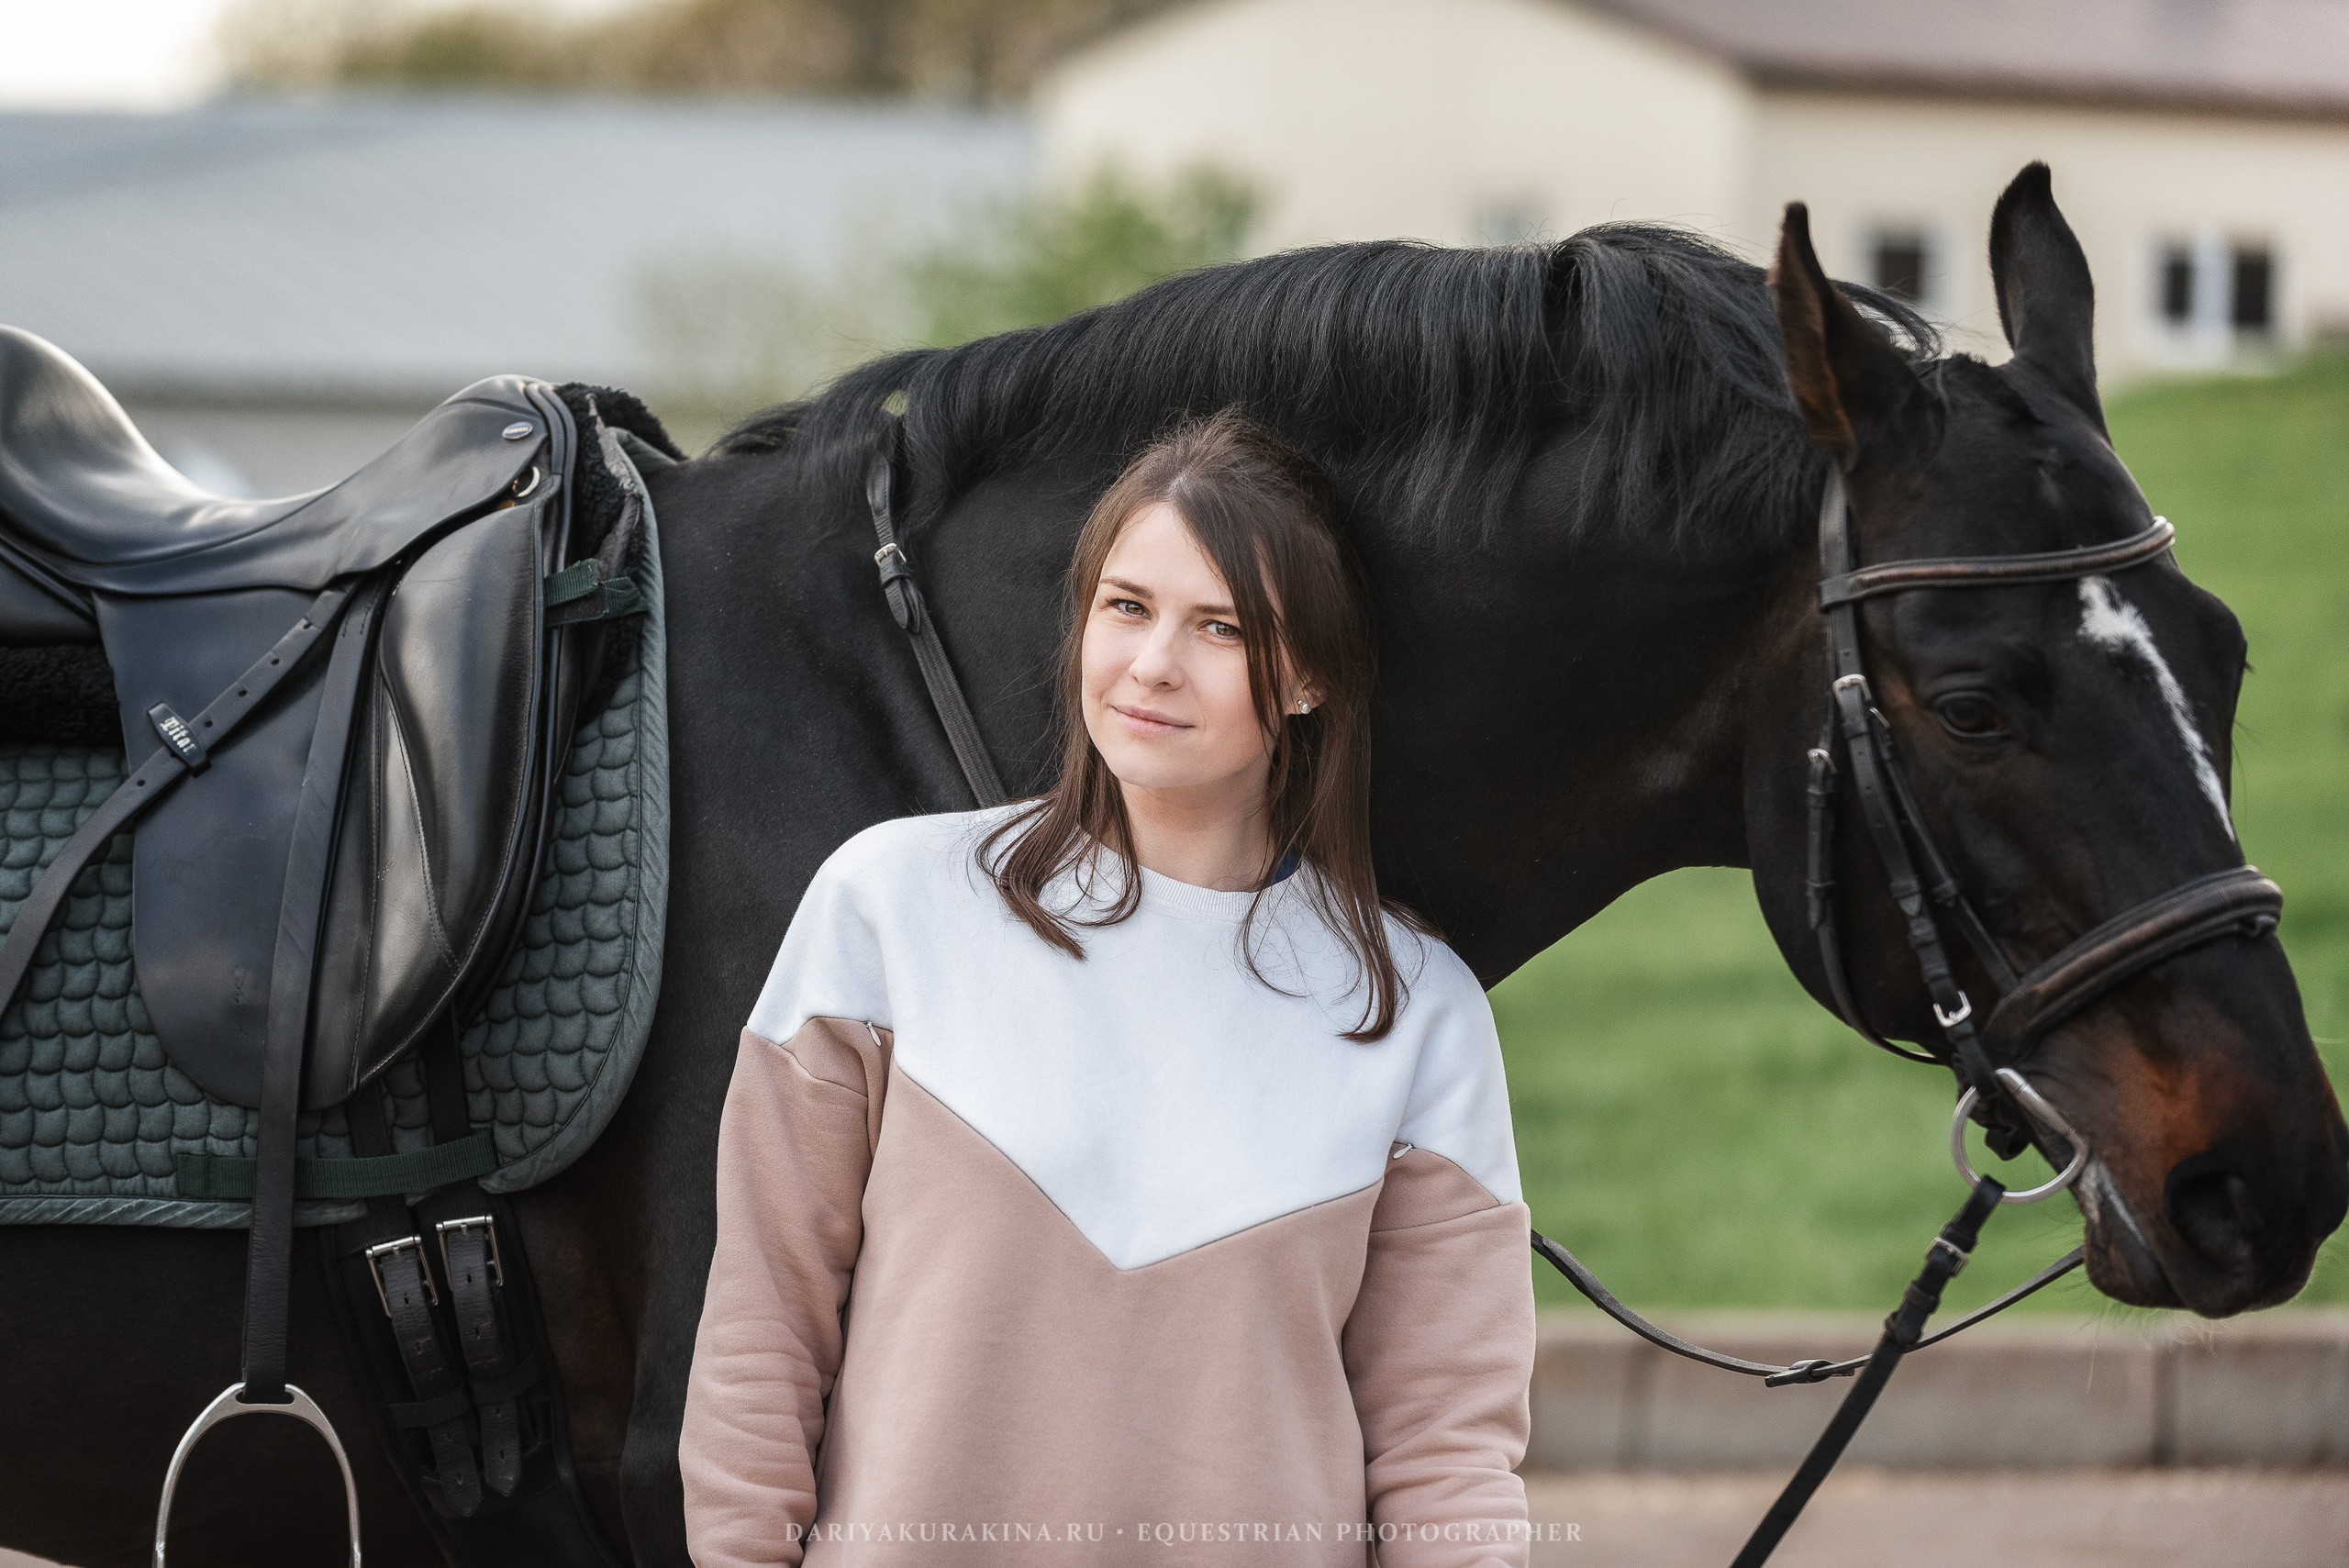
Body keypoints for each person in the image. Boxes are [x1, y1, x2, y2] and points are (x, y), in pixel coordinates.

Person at [679, 408, 1535, 1566]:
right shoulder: (891, 902)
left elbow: (1444, 1450)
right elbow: (763, 1327)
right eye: (1125, 606)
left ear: (1307, 676)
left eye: (1220, 626)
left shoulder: (1416, 1008)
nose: (1150, 665)